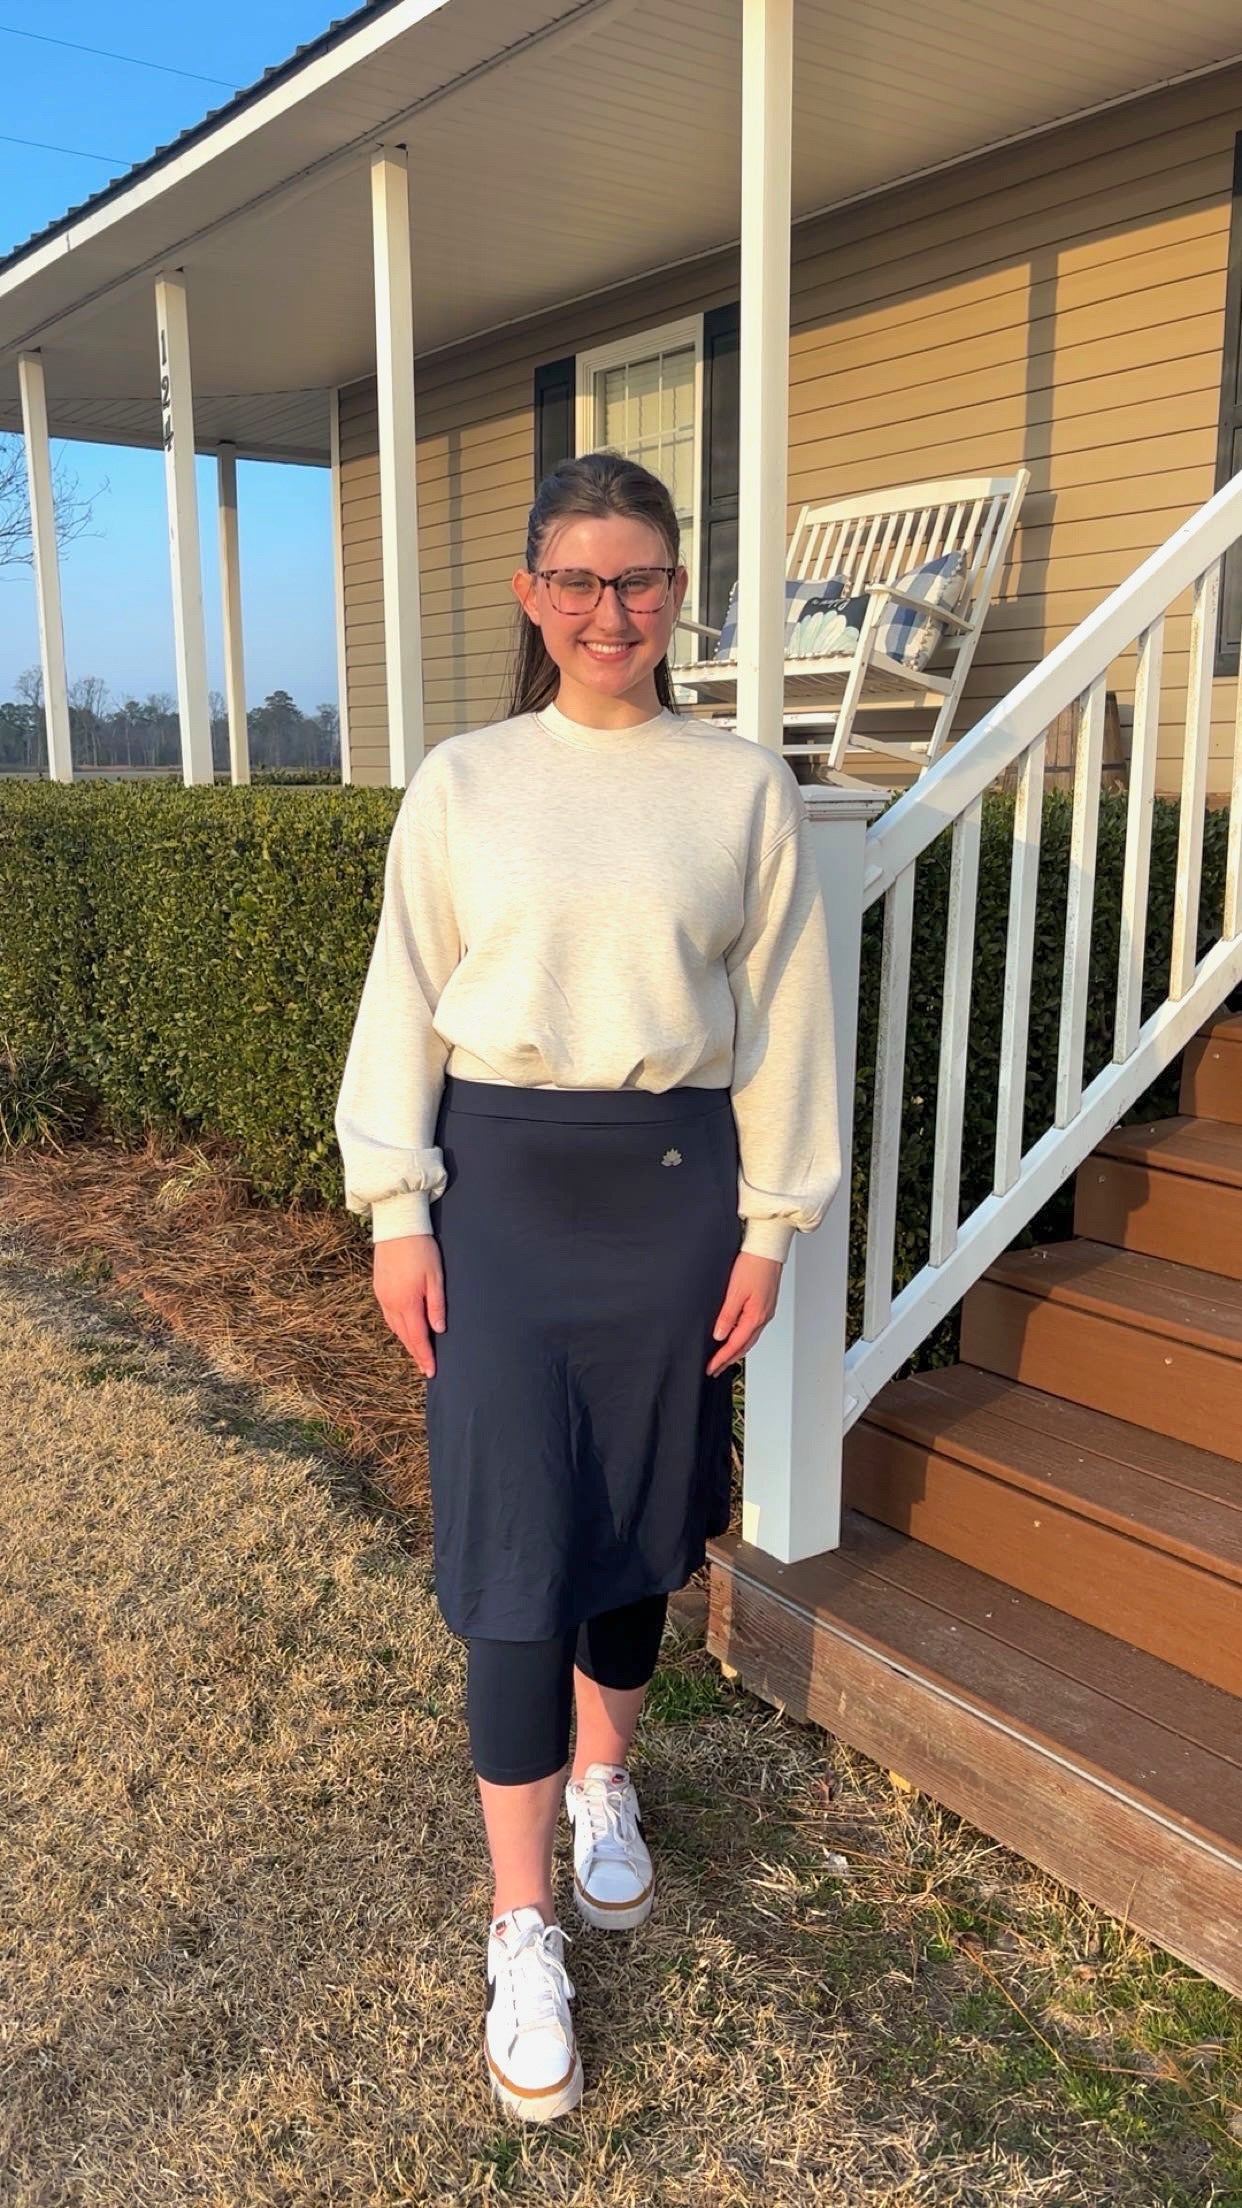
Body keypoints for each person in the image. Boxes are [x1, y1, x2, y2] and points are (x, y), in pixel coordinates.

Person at [333, 451, 840, 2125]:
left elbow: (776, 1023)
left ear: (676, 592)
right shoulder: (466, 781)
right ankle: (520, 1918)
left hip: (678, 1195)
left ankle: (607, 1783)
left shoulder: (738, 787)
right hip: (499, 1197)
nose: (607, 612)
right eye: (576, 580)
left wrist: (770, 1229)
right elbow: (405, 1001)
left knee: (636, 1511)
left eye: (638, 581)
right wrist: (398, 1210)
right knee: (508, 1542)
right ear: (530, 595)